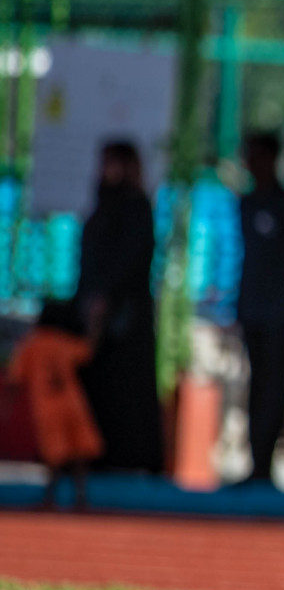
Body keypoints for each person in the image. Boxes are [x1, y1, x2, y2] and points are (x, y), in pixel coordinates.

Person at [75, 140, 163, 472]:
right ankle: (95, 453)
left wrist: (107, 296)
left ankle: (132, 458)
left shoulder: (136, 206)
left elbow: (131, 259)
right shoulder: (101, 205)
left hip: (126, 318)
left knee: (127, 392)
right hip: (95, 313)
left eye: (113, 163)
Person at [236, 131, 284, 484]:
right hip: (252, 310)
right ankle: (255, 463)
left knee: (275, 388)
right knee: (256, 386)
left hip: (278, 313)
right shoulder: (246, 204)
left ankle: (266, 464)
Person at [8, 301, 101, 509]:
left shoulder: (30, 344)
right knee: (79, 453)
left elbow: (15, 379)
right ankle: (81, 498)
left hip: (47, 407)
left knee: (54, 456)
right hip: (73, 404)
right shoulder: (63, 341)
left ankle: (50, 498)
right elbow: (88, 350)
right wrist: (96, 321)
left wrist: (7, 405)